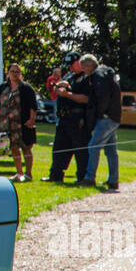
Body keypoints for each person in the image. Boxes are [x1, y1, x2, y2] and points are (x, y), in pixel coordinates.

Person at [44, 52, 93, 183]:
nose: (70, 68)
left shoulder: (87, 79)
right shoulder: (70, 77)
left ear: (79, 62)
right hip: (64, 119)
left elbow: (86, 99)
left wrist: (67, 94)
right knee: (59, 147)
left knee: (80, 150)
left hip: (78, 120)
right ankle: (55, 175)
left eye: (71, 65)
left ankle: (82, 177)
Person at [79, 54, 122, 191]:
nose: (83, 70)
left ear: (89, 65)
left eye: (84, 67)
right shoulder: (106, 72)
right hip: (115, 116)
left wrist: (100, 113)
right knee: (111, 150)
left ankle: (90, 177)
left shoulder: (98, 76)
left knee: (93, 146)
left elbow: (102, 95)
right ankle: (113, 180)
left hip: (106, 117)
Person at [0, 63, 38, 182]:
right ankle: (19, 173)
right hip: (8, 124)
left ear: (20, 74)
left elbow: (33, 105)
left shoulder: (26, 88)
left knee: (26, 147)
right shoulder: (3, 87)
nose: (14, 74)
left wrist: (31, 119)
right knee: (14, 148)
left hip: (23, 123)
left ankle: (28, 174)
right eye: (12, 71)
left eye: (17, 72)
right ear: (8, 74)